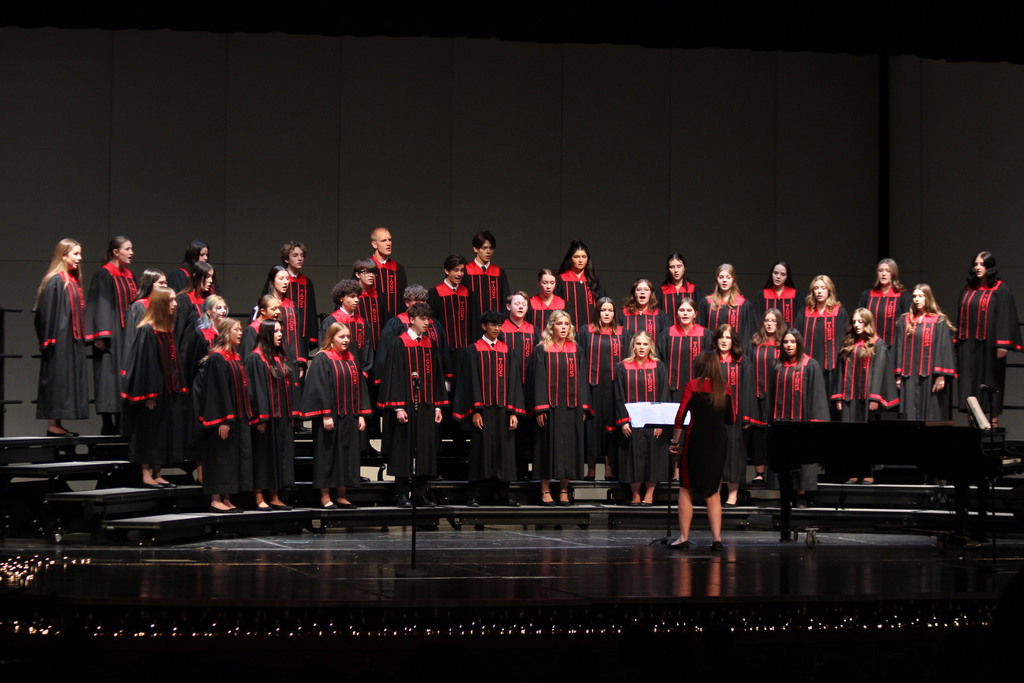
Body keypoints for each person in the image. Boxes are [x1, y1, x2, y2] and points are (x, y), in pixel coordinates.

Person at [377, 302, 447, 507]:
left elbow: (436, 375)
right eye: (423, 319)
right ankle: (401, 494)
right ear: (411, 320)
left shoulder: (429, 344)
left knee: (424, 450)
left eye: (428, 319)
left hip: (426, 406)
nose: (427, 322)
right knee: (402, 449)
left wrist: (437, 406)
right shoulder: (399, 343)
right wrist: (398, 407)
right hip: (405, 407)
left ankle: (420, 493)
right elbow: (393, 376)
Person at [452, 311, 525, 506]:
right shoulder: (473, 350)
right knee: (480, 453)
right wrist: (475, 410)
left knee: (504, 453)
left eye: (499, 325)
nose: (496, 328)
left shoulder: (507, 351)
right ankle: (474, 494)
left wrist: (513, 412)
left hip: (502, 412)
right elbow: (470, 382)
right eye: (492, 324)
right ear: (484, 326)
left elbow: (513, 383)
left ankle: (503, 493)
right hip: (482, 412)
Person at [121, 286, 187, 488]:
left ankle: (158, 471)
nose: (175, 304)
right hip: (151, 393)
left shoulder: (167, 331)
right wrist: (149, 394)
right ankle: (145, 472)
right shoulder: (147, 330)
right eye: (172, 301)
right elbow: (145, 365)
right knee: (148, 431)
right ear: (160, 304)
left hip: (166, 391)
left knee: (162, 432)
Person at [667, 351, 733, 551]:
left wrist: (675, 442)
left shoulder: (692, 386)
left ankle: (684, 537)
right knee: (712, 492)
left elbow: (680, 417)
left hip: (695, 442)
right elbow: (731, 419)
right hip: (718, 444)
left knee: (686, 488)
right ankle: (717, 539)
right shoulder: (726, 389)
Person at [302, 322, 372, 508]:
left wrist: (361, 415)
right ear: (331, 337)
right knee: (327, 457)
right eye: (342, 336)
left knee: (347, 456)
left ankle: (341, 494)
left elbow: (360, 388)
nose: (346, 340)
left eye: (348, 337)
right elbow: (319, 388)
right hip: (330, 418)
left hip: (349, 417)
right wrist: (325, 414)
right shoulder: (322, 358)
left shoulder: (351, 358)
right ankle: (325, 497)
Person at [531, 310, 592, 506]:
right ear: (552, 327)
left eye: (567, 324)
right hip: (550, 408)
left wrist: (583, 406)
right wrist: (540, 408)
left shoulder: (576, 350)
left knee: (569, 448)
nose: (564, 327)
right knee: (547, 447)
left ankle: (565, 489)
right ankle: (545, 489)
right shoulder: (542, 350)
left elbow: (582, 379)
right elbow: (538, 380)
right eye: (559, 324)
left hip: (571, 407)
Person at [193, 318, 255, 513]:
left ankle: (227, 497)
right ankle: (215, 499)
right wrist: (223, 419)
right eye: (237, 330)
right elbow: (216, 392)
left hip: (236, 417)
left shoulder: (234, 357)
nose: (240, 333)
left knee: (230, 460)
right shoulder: (217, 358)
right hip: (222, 419)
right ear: (227, 332)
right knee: (219, 458)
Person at [956, 251, 1022, 426]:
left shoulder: (1001, 289)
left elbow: (1005, 317)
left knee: (989, 382)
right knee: (969, 383)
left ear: (990, 267)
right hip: (969, 345)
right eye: (976, 264)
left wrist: (1002, 345)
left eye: (982, 264)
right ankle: (971, 423)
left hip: (990, 346)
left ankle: (992, 423)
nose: (978, 267)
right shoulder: (968, 289)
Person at [833, 308, 899, 483]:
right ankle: (853, 471)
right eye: (854, 322)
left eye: (860, 322)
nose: (856, 325)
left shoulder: (878, 344)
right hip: (850, 397)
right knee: (851, 435)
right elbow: (840, 371)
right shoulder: (848, 343)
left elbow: (880, 373)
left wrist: (875, 397)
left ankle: (868, 472)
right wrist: (839, 396)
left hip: (868, 397)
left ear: (868, 323)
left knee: (868, 436)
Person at [34, 238, 89, 436]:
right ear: (64, 255)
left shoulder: (72, 281)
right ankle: (52, 424)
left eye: (79, 253)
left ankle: (57, 422)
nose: (79, 258)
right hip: (58, 340)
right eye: (75, 254)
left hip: (71, 340)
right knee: (57, 379)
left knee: (65, 381)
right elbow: (45, 313)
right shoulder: (56, 281)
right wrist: (49, 339)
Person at [769, 330, 830, 507]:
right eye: (786, 342)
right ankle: (786, 495)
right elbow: (772, 395)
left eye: (793, 342)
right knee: (784, 458)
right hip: (783, 419)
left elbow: (817, 394)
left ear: (799, 344)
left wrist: (814, 421)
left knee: (803, 457)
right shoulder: (776, 365)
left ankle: (802, 493)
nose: (789, 345)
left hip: (803, 419)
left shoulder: (810, 364)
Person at [87, 235, 138, 434]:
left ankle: (123, 421)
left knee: (123, 375)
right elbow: (98, 305)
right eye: (127, 249)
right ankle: (108, 423)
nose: (131, 253)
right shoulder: (104, 274)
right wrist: (101, 334)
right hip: (111, 335)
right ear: (116, 252)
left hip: (126, 334)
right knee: (108, 377)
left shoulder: (129, 275)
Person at [613, 331, 669, 506]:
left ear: (650, 346)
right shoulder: (622, 367)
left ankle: (650, 494)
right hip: (632, 422)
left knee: (653, 457)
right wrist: (623, 421)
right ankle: (635, 493)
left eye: (645, 344)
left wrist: (660, 422)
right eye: (638, 344)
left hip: (652, 422)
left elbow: (663, 394)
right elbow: (618, 396)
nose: (641, 348)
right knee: (632, 458)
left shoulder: (658, 367)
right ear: (633, 346)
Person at [246, 320, 296, 510]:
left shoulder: (278, 357)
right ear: (266, 333)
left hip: (281, 416)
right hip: (265, 419)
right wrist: (261, 417)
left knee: (278, 456)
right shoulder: (255, 359)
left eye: (281, 331)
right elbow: (254, 391)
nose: (280, 334)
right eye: (276, 331)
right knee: (263, 457)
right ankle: (259, 496)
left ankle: (274, 495)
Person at [580, 297, 630, 481]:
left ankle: (609, 468)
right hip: (592, 385)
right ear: (597, 312)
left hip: (614, 387)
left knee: (611, 426)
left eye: (610, 310)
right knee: (592, 427)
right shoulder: (586, 332)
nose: (607, 313)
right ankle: (591, 469)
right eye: (603, 310)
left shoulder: (622, 333)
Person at [894, 284, 956, 421]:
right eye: (915, 296)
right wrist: (898, 374)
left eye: (921, 296)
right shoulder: (905, 320)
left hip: (930, 376)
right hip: (909, 375)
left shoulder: (938, 321)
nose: (917, 299)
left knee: (931, 412)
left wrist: (941, 376)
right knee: (909, 412)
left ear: (928, 298)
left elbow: (943, 348)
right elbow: (899, 347)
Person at [793, 274, 849, 417]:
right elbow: (796, 338)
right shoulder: (804, 313)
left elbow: (844, 339)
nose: (819, 291)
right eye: (816, 288)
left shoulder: (839, 312)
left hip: (831, 369)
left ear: (829, 290)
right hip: (809, 367)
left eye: (823, 288)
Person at [712, 324, 753, 506]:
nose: (724, 341)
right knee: (715, 455)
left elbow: (747, 389)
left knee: (734, 456)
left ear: (733, 340)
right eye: (721, 337)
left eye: (728, 337)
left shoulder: (742, 361)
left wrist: (746, 415)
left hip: (735, 417)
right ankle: (715, 494)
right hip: (713, 416)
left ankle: (733, 495)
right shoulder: (709, 359)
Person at [501, 291, 538, 481]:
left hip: (528, 386)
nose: (521, 306)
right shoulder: (501, 330)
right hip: (506, 387)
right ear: (508, 307)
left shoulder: (533, 330)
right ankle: (507, 469)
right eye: (517, 303)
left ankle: (523, 468)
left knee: (525, 429)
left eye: (524, 303)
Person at [748, 308, 787, 483]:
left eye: (773, 321)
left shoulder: (784, 343)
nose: (770, 324)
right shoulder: (755, 343)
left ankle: (776, 472)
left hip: (778, 397)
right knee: (758, 434)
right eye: (767, 320)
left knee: (776, 434)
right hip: (757, 394)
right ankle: (759, 472)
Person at [657, 298, 711, 402]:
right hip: (672, 388)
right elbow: (660, 362)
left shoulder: (705, 334)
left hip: (699, 388)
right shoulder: (667, 334)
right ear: (676, 313)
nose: (685, 313)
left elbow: (710, 362)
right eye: (681, 310)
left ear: (695, 314)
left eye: (689, 310)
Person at [700, 263, 757, 354]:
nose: (724, 280)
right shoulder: (707, 303)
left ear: (733, 280)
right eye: (721, 277)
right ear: (716, 280)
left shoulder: (744, 305)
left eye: (728, 277)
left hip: (736, 356)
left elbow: (747, 335)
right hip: (711, 355)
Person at [320, 279, 372, 372]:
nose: (356, 300)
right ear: (341, 298)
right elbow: (324, 347)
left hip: (359, 374)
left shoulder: (363, 322)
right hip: (336, 371)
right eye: (352, 297)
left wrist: (364, 372)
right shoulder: (331, 321)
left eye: (357, 297)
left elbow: (368, 350)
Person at [857, 258, 911, 347]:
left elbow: (907, 323)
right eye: (880, 271)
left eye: (888, 271)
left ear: (893, 274)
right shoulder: (867, 295)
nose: (884, 274)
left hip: (894, 346)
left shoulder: (903, 296)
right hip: (870, 345)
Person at [427, 254, 474, 351]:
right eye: (455, 270)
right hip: (443, 349)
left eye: (462, 270)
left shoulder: (468, 294)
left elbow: (473, 323)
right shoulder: (435, 293)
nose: (459, 274)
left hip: (465, 350)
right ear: (447, 271)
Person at [555, 240, 605, 330]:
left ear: (588, 259)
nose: (580, 260)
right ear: (570, 259)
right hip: (567, 330)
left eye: (584, 257)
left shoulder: (595, 280)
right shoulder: (560, 280)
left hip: (591, 330)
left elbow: (603, 306)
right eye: (576, 257)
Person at [281, 241, 319, 356]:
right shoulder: (279, 279)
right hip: (283, 332)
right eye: (295, 255)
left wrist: (312, 336)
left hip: (301, 335)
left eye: (302, 255)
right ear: (286, 259)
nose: (300, 259)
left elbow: (311, 310)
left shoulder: (307, 282)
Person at [464, 231, 510, 324]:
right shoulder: (466, 271)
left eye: (491, 248)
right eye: (484, 248)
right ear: (475, 249)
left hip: (495, 325)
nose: (488, 251)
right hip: (472, 324)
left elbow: (505, 301)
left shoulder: (499, 273)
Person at [369, 227, 407, 323]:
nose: (388, 243)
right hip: (372, 321)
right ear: (374, 244)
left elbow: (404, 298)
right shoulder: (365, 268)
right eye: (383, 241)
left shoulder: (398, 269)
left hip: (395, 322)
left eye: (390, 240)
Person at [124, 268, 167, 353]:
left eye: (166, 283)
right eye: (161, 283)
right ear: (150, 284)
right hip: (144, 353)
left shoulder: (162, 306)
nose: (165, 286)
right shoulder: (139, 306)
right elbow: (131, 338)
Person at [659, 253, 703, 317]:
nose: (676, 270)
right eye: (672, 267)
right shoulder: (661, 292)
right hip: (667, 327)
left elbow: (699, 316)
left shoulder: (695, 291)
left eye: (679, 266)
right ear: (668, 269)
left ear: (684, 268)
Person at [353, 258, 382, 351]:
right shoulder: (350, 295)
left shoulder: (379, 295)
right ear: (357, 274)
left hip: (376, 345)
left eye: (373, 272)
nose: (371, 275)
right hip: (356, 344)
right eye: (367, 272)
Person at [758, 261, 798, 327]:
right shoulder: (762, 295)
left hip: (788, 336)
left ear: (787, 277)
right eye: (775, 273)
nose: (778, 277)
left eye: (783, 274)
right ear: (771, 274)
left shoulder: (795, 295)